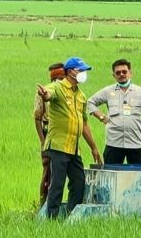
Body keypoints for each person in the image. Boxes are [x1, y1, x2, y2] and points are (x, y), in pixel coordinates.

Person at [36, 57, 103, 218]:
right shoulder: (59, 87)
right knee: (57, 184)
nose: (83, 74)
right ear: (70, 71)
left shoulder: (80, 95)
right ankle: (51, 218)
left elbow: (84, 124)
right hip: (58, 146)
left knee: (79, 182)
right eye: (81, 70)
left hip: (74, 147)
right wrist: (45, 94)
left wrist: (93, 147)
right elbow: (49, 93)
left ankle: (70, 215)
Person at [87, 59, 141, 164]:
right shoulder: (108, 91)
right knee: (112, 176)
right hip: (114, 143)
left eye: (124, 71)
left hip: (136, 143)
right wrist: (101, 117)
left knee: (137, 177)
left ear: (130, 73)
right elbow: (90, 102)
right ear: (114, 75)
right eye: (118, 73)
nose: (122, 74)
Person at [33, 62, 66, 207]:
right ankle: (43, 204)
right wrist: (42, 141)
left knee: (60, 172)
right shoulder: (44, 92)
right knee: (47, 171)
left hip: (64, 134)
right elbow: (37, 117)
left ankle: (55, 204)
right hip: (49, 133)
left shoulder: (69, 91)